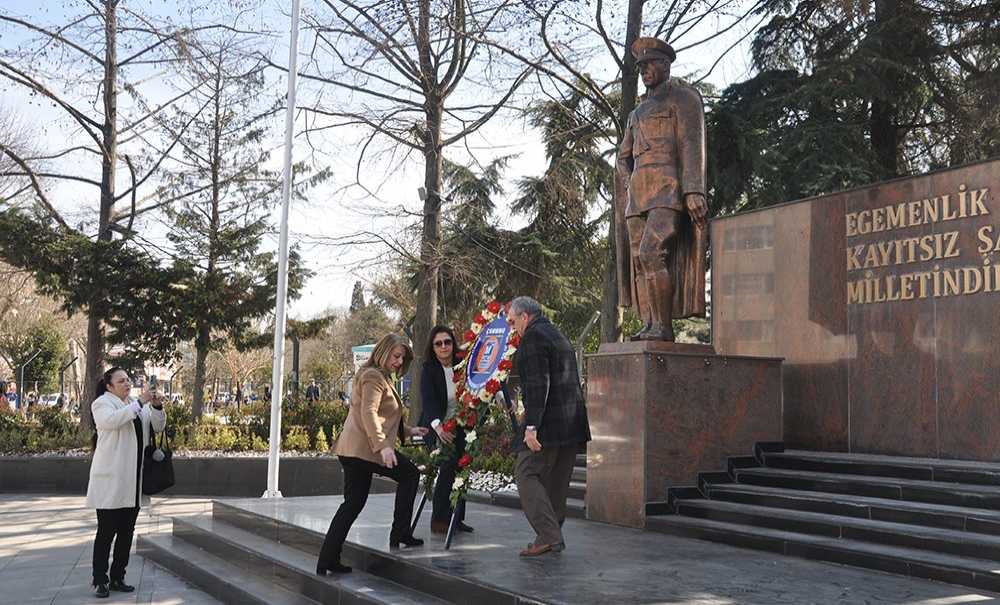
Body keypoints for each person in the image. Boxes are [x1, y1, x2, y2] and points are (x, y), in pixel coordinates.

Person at [615, 36, 708, 341]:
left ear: (666, 65)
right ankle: (649, 324)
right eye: (641, 66)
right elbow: (622, 158)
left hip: (668, 189)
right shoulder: (636, 113)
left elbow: (692, 144)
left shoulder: (684, 98)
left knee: (652, 253)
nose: (644, 71)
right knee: (641, 262)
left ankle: (663, 328)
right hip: (638, 195)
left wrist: (694, 190)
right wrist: (628, 187)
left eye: (650, 65)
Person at [317, 334, 430, 575]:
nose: (399, 362)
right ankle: (401, 533)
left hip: (355, 450)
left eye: (402, 358)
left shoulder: (380, 376)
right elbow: (369, 412)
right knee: (409, 474)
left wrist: (408, 431)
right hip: (364, 450)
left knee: (353, 503)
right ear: (383, 351)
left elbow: (383, 416)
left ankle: (328, 559)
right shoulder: (372, 376)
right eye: (396, 356)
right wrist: (383, 446)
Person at [508, 296, 591, 556]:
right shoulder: (556, 333)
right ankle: (552, 534)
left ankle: (548, 534)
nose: (513, 328)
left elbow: (537, 385)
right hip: (570, 423)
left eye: (513, 321)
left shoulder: (533, 338)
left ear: (525, 316)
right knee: (556, 480)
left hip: (547, 425)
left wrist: (531, 427)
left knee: (526, 473)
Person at [86, 367, 167, 598]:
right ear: (109, 385)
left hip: (134, 482)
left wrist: (157, 406)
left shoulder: (136, 404)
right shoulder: (102, 404)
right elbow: (112, 421)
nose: (127, 383)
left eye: (128, 380)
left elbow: (157, 426)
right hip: (111, 481)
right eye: (121, 381)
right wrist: (140, 402)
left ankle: (118, 576)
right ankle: (99, 579)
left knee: (126, 532)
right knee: (106, 533)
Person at [418, 325, 474, 535]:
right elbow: (429, 402)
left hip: (461, 424)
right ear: (432, 348)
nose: (443, 347)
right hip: (435, 427)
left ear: (453, 343)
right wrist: (438, 427)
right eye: (438, 343)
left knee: (463, 466)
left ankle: (456, 518)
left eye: (447, 342)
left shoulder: (463, 365)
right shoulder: (429, 370)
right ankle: (440, 519)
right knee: (449, 463)